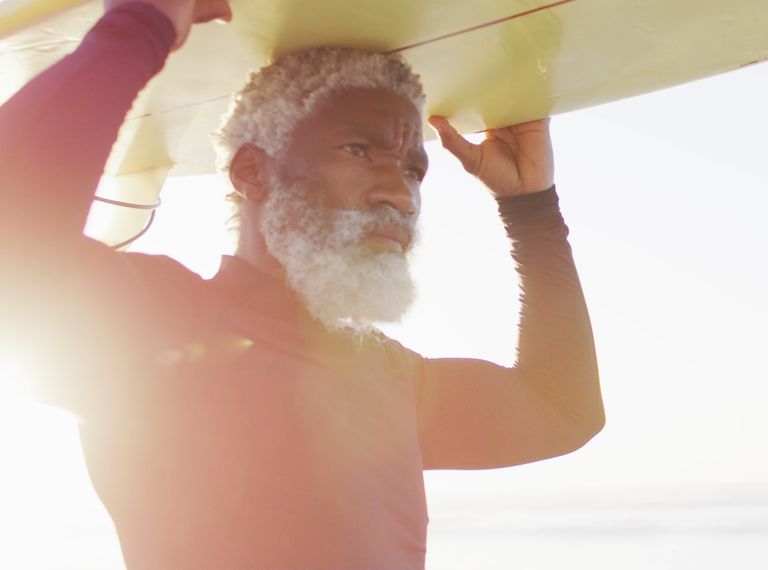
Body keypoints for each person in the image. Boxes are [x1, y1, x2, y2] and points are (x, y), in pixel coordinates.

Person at [0, 0, 604, 567]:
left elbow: (562, 411)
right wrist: (139, 27)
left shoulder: (388, 377)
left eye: (414, 168)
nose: (400, 193)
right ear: (253, 171)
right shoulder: (149, 326)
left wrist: (531, 210)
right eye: (359, 149)